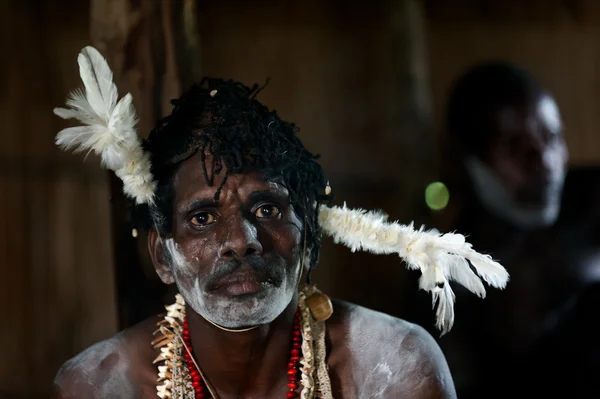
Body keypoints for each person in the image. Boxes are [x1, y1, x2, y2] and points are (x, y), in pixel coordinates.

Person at [49, 47, 507, 398]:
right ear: (162, 256)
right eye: (203, 218)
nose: (241, 240)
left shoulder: (395, 369)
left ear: (307, 232)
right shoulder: (99, 385)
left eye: (267, 210)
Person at [424, 61, 600, 398]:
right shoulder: (448, 275)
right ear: (469, 160)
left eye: (551, 137)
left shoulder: (593, 202)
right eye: (514, 146)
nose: (543, 161)